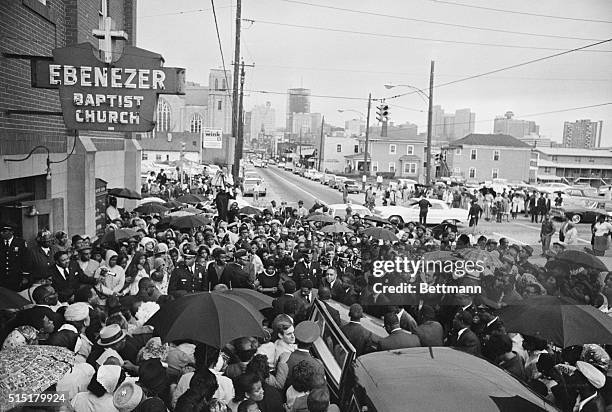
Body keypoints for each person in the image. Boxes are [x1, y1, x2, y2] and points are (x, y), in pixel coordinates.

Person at [0, 222, 29, 291]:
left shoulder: (20, 243)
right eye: (1, 231)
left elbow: (25, 260)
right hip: (2, 278)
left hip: (16, 278)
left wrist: (25, 277)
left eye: (4, 231)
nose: (1, 233)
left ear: (11, 232)